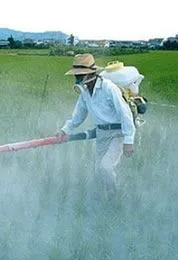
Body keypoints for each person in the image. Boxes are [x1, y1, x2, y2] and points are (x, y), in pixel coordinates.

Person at [56, 53, 136, 197]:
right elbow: (78, 115)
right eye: (76, 76)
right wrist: (64, 130)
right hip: (101, 134)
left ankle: (114, 197)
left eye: (80, 76)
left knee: (105, 168)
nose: (78, 79)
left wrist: (128, 141)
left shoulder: (109, 88)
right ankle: (100, 197)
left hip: (118, 133)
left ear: (91, 73)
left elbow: (125, 114)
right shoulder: (85, 92)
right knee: (99, 169)